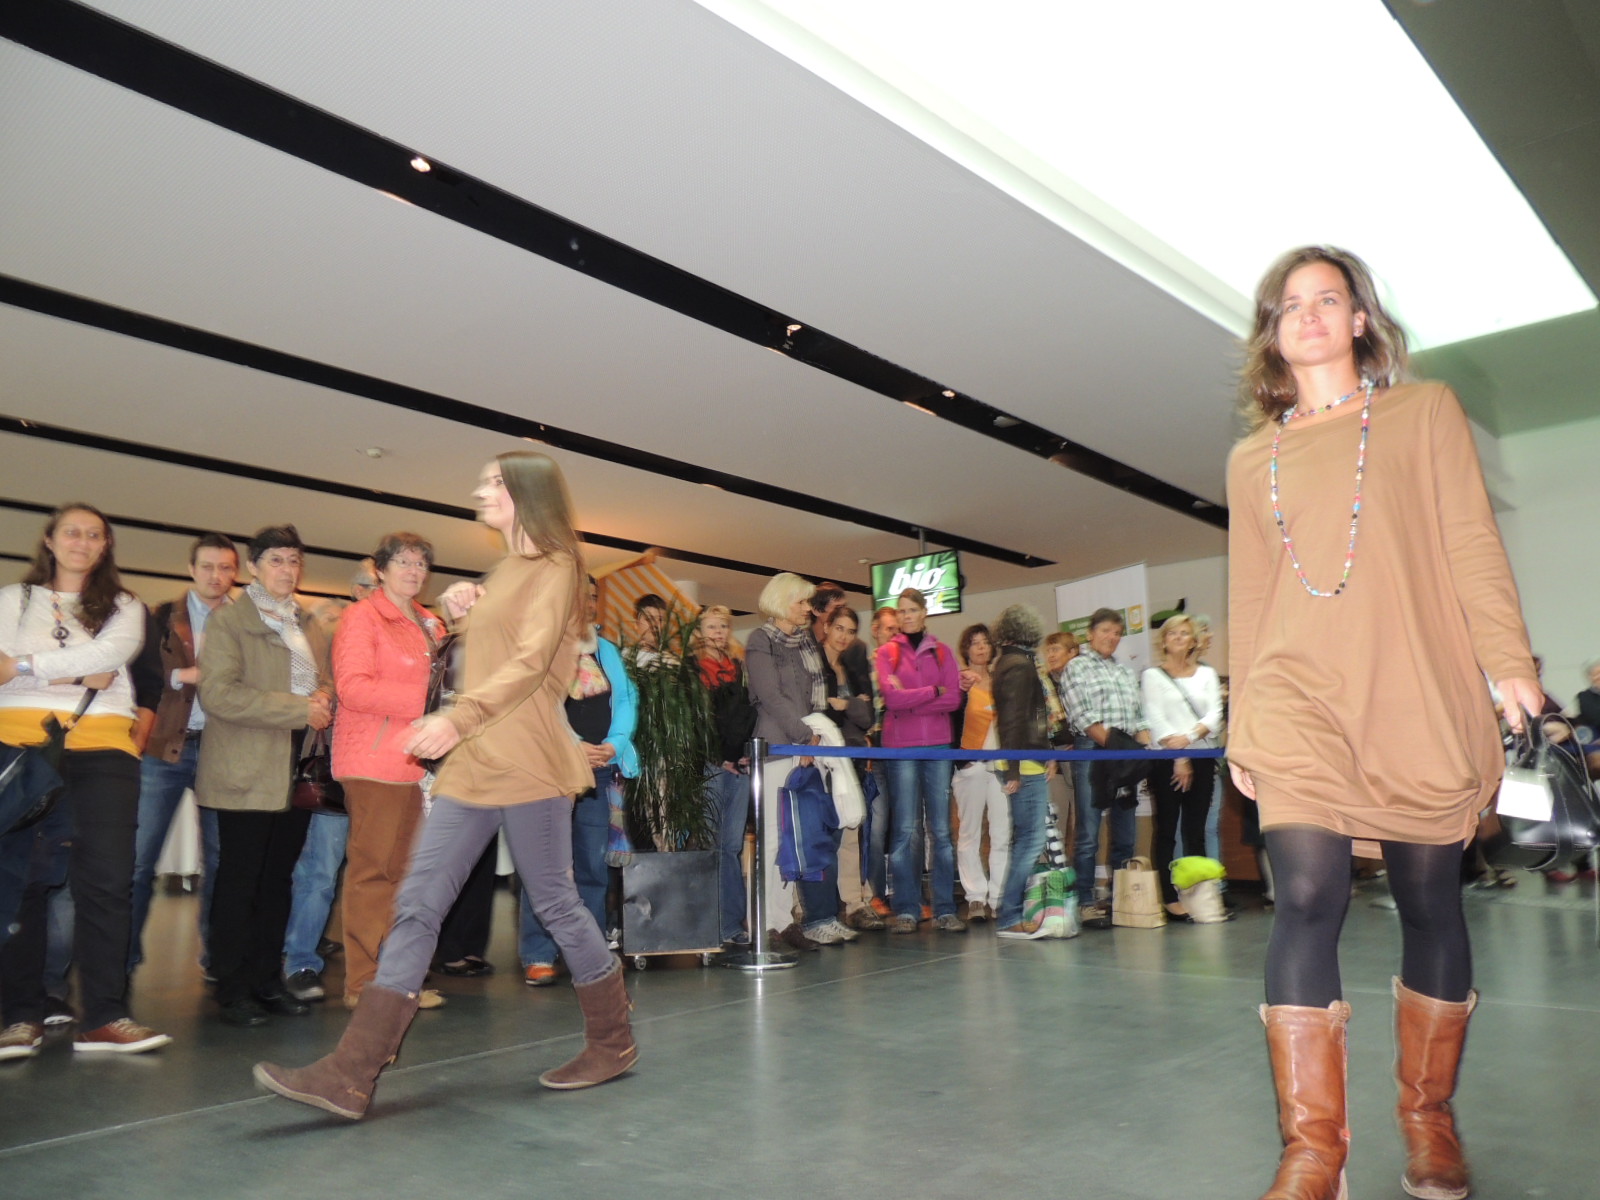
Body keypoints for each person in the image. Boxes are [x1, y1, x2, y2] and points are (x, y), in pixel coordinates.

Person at [1227, 246, 1541, 1200]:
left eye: (1328, 298)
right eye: (1290, 304)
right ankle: (1313, 1154)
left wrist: (1510, 662)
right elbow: (1252, 595)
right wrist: (1243, 720)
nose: (1309, 314)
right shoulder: (1251, 458)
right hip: (1296, 700)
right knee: (1304, 895)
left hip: (1413, 693)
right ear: (1273, 333)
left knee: (1430, 901)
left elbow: (1470, 541)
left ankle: (1428, 1119)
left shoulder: (1422, 412)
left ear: (1359, 318)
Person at [255, 451, 636, 1119]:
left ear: (526, 493)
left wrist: (456, 718)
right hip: (476, 762)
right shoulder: (507, 571)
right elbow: (488, 653)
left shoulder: (558, 567)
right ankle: (352, 1073)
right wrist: (463, 610)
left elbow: (530, 665)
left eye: (493, 483)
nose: (479, 491)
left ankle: (613, 1041)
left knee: (555, 902)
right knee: (417, 901)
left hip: (526, 760)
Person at [0, 504, 170, 1058]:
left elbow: (112, 655)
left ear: (105, 546)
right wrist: (74, 671)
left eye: (94, 534)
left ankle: (105, 1016)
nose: (82, 541)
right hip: (21, 747)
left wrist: (23, 666)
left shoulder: (125, 606)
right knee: (21, 882)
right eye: (71, 532)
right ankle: (19, 1017)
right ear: (50, 540)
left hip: (104, 749)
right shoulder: (11, 599)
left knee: (108, 882)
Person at [196, 525, 334, 1027]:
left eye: (294, 560)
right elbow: (218, 694)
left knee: (279, 880)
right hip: (246, 765)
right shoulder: (230, 620)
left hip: (296, 764)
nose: (287, 569)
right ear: (253, 567)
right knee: (241, 880)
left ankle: (266, 981)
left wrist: (324, 696)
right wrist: (299, 708)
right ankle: (232, 988)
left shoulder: (306, 622)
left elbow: (322, 680)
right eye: (276, 559)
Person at [327, 533, 444, 1009]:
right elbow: (353, 688)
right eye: (403, 562)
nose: (414, 571)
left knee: (407, 877)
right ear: (380, 569)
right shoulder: (362, 616)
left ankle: (396, 981)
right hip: (374, 762)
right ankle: (363, 984)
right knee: (373, 872)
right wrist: (431, 703)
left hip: (421, 763)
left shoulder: (431, 623)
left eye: (421, 564)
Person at [127, 532, 237, 976]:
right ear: (192, 569)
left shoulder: (246, 621)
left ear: (235, 573)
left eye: (225, 567)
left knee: (222, 862)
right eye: (207, 566)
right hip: (164, 748)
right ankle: (122, 958)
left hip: (224, 750)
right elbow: (139, 675)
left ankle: (216, 959)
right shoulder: (159, 615)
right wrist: (186, 674)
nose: (216, 575)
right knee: (138, 859)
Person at [521, 574, 639, 984]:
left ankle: (588, 954)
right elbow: (538, 705)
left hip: (599, 769)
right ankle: (538, 953)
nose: (588, 604)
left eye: (593, 597)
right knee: (546, 866)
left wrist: (614, 744)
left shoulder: (606, 649)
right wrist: (573, 746)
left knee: (592, 866)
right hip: (552, 769)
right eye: (580, 596)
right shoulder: (544, 645)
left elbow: (626, 701)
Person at [744, 572, 829, 949]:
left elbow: (811, 697)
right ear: (781, 602)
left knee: (791, 838)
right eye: (801, 601)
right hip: (777, 746)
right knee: (770, 839)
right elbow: (769, 696)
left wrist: (812, 736)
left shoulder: (805, 642)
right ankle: (762, 923)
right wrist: (804, 736)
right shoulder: (760, 640)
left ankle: (783, 919)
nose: (808, 608)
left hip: (803, 746)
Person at [877, 588, 963, 933]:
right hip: (901, 748)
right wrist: (932, 692)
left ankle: (945, 909)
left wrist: (911, 699)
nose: (907, 616)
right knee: (905, 830)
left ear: (924, 613)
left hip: (939, 746)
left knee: (941, 830)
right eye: (902, 611)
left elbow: (954, 699)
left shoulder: (943, 652)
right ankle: (907, 909)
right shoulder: (887, 652)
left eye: (912, 609)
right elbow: (892, 699)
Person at [1061, 607, 1150, 928]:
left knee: (1126, 832)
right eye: (1105, 631)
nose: (1111, 637)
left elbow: (1139, 717)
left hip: (1125, 751)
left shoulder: (1125, 672)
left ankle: (1121, 900)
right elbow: (1082, 716)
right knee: (1088, 832)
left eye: (1117, 633)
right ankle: (1085, 902)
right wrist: (1117, 748)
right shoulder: (1076, 667)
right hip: (1093, 751)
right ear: (1090, 634)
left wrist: (1143, 752)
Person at [1140, 615, 1223, 921]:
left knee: (1196, 830)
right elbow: (1155, 717)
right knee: (1167, 830)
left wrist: (1188, 739)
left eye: (1184, 633)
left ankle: (1199, 895)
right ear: (1163, 641)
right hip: (1165, 760)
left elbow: (1214, 715)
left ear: (1193, 641)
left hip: (1202, 757)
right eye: (1172, 633)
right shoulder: (1152, 675)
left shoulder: (1207, 674)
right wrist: (1178, 756)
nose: (1178, 637)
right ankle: (1169, 897)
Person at [988, 606, 1055, 939]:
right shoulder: (1019, 665)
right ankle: (1010, 915)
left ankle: (1012, 912)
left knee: (1027, 840)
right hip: (1023, 763)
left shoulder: (1011, 662)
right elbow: (1013, 721)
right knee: (1030, 841)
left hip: (1026, 760)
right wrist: (1014, 768)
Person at [695, 604, 754, 947]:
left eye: (722, 626)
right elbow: (696, 723)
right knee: (712, 845)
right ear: (699, 632)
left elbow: (748, 715)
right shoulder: (692, 670)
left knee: (731, 846)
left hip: (740, 765)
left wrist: (742, 754)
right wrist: (719, 758)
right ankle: (711, 923)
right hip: (712, 765)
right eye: (711, 627)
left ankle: (731, 923)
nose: (718, 632)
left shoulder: (738, 668)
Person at [818, 605, 873, 937]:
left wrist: (846, 704)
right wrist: (851, 705)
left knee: (851, 830)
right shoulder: (813, 662)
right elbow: (819, 711)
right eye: (839, 628)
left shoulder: (851, 667)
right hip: (820, 756)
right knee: (821, 834)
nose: (844, 636)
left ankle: (854, 902)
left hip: (850, 758)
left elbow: (867, 718)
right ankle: (813, 908)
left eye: (850, 631)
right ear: (826, 626)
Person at [950, 624, 1007, 922]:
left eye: (986, 642)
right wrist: (963, 762)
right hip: (970, 766)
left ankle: (998, 897)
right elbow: (950, 722)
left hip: (1001, 767)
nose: (981, 647)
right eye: (975, 643)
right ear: (966, 649)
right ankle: (974, 897)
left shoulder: (1002, 681)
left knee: (1001, 833)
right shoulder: (958, 682)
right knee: (969, 833)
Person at [864, 606, 900, 915]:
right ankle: (875, 894)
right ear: (875, 631)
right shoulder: (865, 667)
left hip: (904, 752)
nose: (894, 634)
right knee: (877, 827)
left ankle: (906, 894)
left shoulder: (908, 666)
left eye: (898, 630)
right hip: (876, 752)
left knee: (906, 825)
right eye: (889, 629)